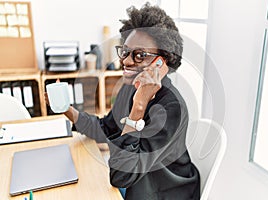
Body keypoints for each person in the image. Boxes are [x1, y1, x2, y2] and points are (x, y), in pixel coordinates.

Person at [46, 3, 200, 200]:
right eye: (125, 52)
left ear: (162, 62)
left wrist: (139, 107)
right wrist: (67, 110)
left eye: (140, 55)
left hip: (164, 192)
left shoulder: (171, 108)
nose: (126, 61)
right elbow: (106, 128)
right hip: (140, 182)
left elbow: (121, 176)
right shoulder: (130, 88)